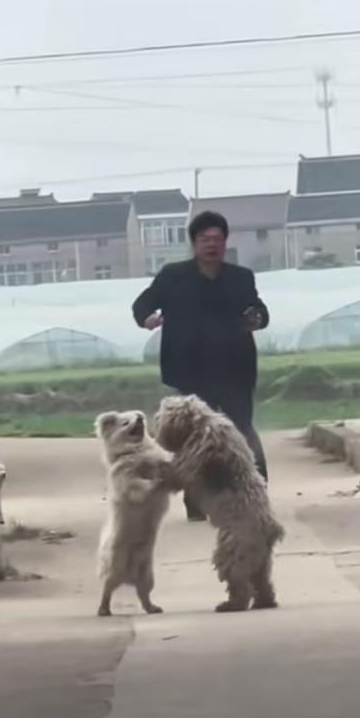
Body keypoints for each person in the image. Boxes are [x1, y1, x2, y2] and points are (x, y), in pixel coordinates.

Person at [132, 210, 269, 521]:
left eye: (217, 239)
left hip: (234, 368)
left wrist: (256, 318)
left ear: (224, 243)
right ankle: (196, 502)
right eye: (205, 239)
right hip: (190, 371)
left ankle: (254, 492)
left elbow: (258, 309)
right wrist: (148, 319)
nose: (212, 245)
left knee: (240, 430)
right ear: (194, 243)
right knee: (194, 439)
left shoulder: (240, 277)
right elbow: (142, 305)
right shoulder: (172, 276)